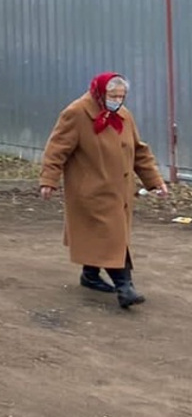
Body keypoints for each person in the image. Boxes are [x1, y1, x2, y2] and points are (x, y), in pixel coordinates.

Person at [39, 72, 167, 309]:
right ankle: (125, 287)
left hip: (120, 191)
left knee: (101, 236)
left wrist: (155, 181)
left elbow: (139, 151)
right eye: (113, 95)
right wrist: (49, 180)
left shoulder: (124, 116)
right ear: (99, 92)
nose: (117, 100)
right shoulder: (76, 113)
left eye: (121, 96)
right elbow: (56, 149)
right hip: (90, 190)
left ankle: (90, 275)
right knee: (112, 236)